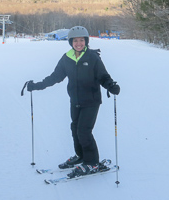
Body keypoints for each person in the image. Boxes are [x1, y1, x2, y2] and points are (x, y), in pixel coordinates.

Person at [25, 26, 120, 178]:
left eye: (82, 40)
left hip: (91, 100)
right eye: (75, 41)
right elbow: (55, 77)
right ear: (70, 42)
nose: (79, 43)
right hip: (75, 100)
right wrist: (37, 86)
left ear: (86, 41)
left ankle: (92, 162)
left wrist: (111, 86)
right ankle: (81, 156)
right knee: (75, 129)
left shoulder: (93, 57)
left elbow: (103, 76)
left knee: (84, 131)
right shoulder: (67, 58)